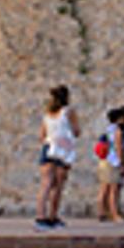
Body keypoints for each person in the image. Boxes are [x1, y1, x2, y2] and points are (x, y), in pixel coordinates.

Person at [35, 85, 81, 232]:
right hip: (64, 150)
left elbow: (41, 136)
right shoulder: (68, 112)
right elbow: (76, 131)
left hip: (48, 148)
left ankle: (40, 217)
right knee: (58, 185)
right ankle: (52, 216)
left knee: (45, 184)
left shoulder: (47, 114)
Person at [97, 106, 124, 222]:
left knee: (104, 187)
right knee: (114, 189)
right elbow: (118, 148)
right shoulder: (118, 130)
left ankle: (102, 212)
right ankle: (114, 214)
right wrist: (123, 164)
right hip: (114, 162)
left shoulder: (109, 129)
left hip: (105, 160)